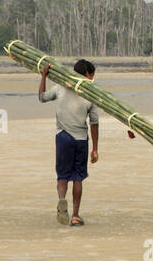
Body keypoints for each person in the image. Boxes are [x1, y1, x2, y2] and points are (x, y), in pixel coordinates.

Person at [37, 58, 121, 226]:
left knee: (62, 176)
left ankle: (62, 199)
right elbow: (94, 123)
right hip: (81, 140)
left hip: (62, 137)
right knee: (78, 178)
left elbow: (41, 97)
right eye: (92, 75)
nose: (93, 78)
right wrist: (95, 148)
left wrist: (44, 75)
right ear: (88, 74)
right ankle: (75, 215)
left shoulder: (60, 87)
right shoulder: (91, 95)